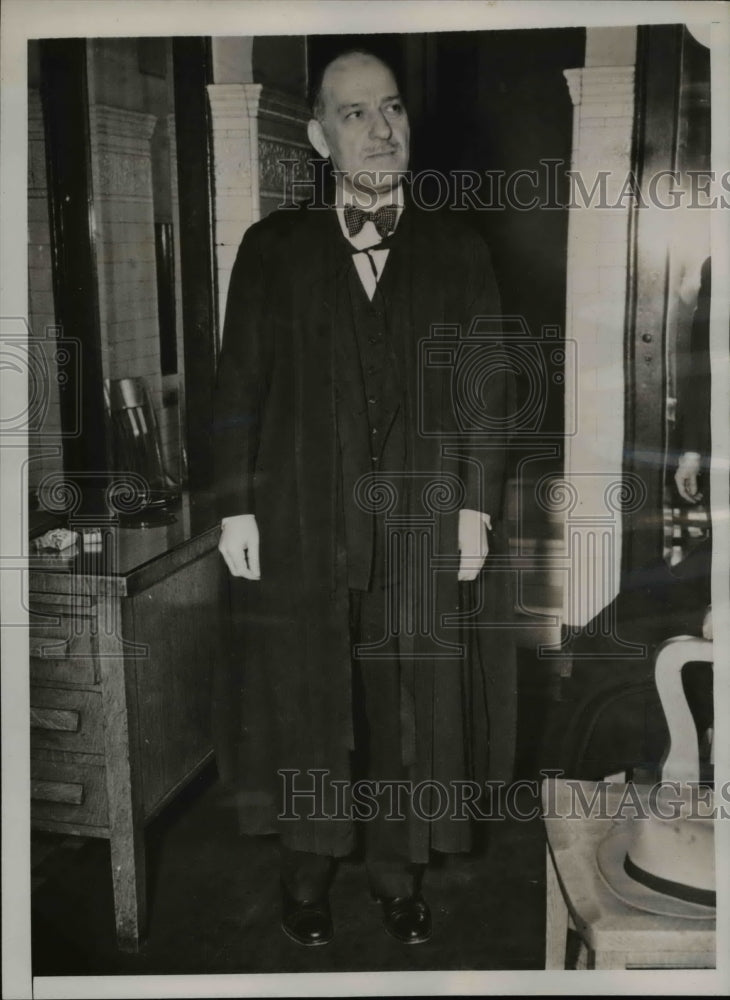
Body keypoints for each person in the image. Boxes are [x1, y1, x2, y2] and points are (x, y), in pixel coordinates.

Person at [212, 49, 516, 947]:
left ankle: (398, 872)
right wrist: (235, 505)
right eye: (355, 114)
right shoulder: (272, 249)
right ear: (316, 136)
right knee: (308, 699)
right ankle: (304, 878)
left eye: (392, 109)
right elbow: (238, 388)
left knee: (409, 705)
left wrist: (476, 504)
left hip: (420, 524)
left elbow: (487, 388)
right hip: (303, 523)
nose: (382, 130)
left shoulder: (458, 248)